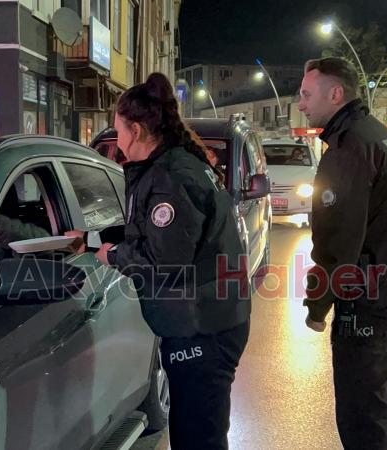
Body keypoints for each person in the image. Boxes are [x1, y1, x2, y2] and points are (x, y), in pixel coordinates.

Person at [86, 73, 251, 450]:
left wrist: (111, 255)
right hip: (206, 318)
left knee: (198, 438)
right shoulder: (171, 168)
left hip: (202, 327)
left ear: (137, 130)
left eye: (118, 130)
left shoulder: (171, 178)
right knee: (196, 431)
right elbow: (152, 233)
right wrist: (94, 240)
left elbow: (166, 262)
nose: (117, 139)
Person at [298, 57, 387, 450]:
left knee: (362, 416)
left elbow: (338, 240)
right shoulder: (378, 134)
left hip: (367, 298)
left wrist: (317, 305)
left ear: (335, 94)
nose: (301, 103)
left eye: (306, 94)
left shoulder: (350, 147)